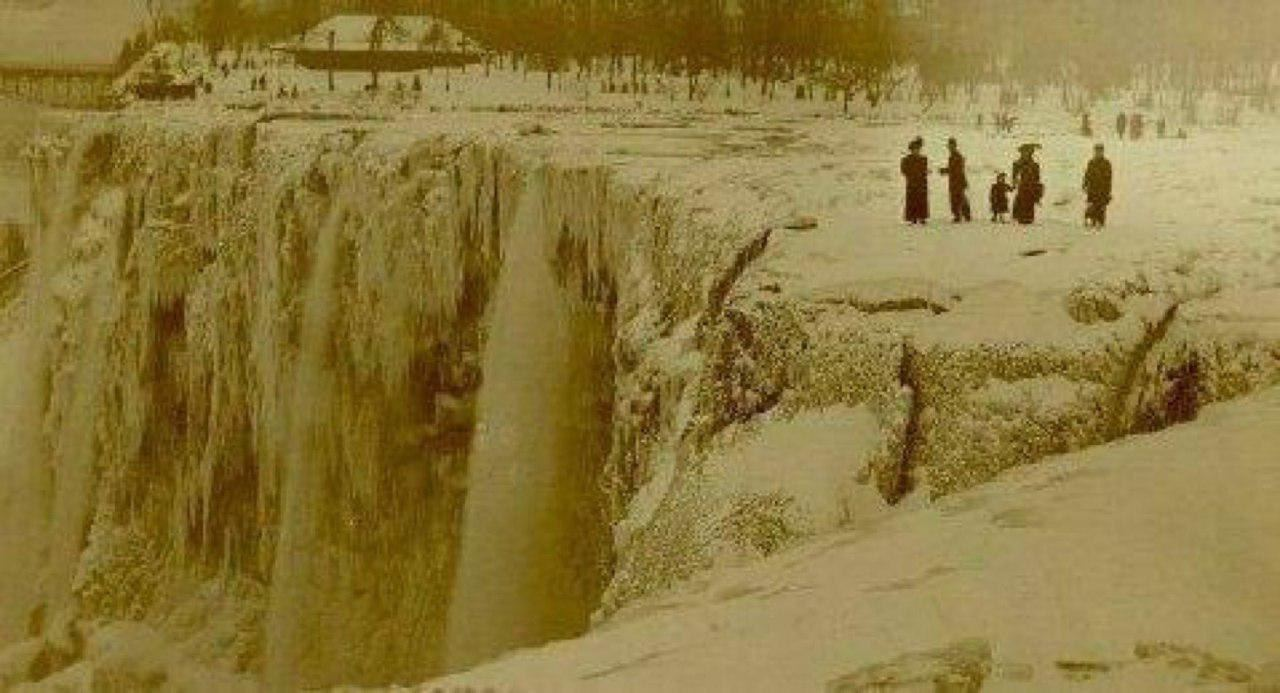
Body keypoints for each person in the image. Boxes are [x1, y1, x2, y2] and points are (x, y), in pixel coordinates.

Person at [940, 137, 972, 222]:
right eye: (949, 146)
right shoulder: (953, 156)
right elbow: (953, 169)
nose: (950, 147)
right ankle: (963, 215)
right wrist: (945, 170)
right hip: (955, 181)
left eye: (951, 145)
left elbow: (956, 169)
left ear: (954, 146)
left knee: (958, 198)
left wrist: (945, 170)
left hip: (958, 181)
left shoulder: (957, 156)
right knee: (958, 198)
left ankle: (960, 216)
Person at [1011, 143, 1043, 225]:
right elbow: (1014, 174)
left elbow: (1037, 177)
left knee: (1029, 201)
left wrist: (1037, 187)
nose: (1026, 154)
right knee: (1022, 200)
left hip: (1031, 186)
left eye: (1029, 152)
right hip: (1023, 185)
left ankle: (1028, 218)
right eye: (1025, 152)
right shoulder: (1018, 163)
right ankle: (1021, 217)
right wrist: (1014, 182)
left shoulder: (1034, 165)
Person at [1083, 144, 1113, 228]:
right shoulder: (1091, 162)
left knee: (1101, 207)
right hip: (1092, 189)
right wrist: (1085, 184)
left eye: (1100, 151)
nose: (1098, 153)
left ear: (1102, 152)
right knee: (1092, 206)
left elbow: (1109, 178)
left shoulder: (1106, 163)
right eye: (1096, 151)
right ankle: (1091, 220)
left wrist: (1108, 191)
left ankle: (1100, 222)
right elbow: (1087, 174)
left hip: (1102, 190)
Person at [900, 137, 929, 225]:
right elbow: (903, 170)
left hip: (921, 183)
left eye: (917, 149)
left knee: (921, 200)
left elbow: (924, 170)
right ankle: (913, 218)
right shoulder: (906, 160)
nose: (916, 151)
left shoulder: (923, 159)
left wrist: (924, 173)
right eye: (914, 149)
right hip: (912, 183)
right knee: (912, 200)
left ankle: (922, 217)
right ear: (911, 150)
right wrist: (911, 175)